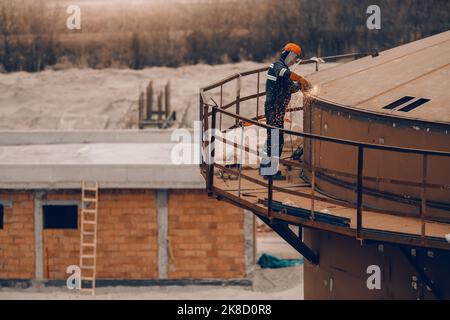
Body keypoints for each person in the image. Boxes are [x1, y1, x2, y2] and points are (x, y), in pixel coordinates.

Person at [260, 43, 312, 180]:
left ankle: (266, 168)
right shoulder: (277, 65)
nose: (295, 60)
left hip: (277, 110)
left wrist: (301, 86)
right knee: (275, 139)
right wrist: (300, 78)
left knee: (274, 138)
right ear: (289, 54)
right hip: (273, 109)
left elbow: (291, 88)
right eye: (295, 57)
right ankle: (269, 172)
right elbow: (284, 73)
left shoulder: (284, 72)